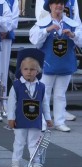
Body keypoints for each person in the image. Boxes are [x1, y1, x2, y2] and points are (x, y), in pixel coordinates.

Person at [29, 0, 82, 132]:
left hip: (65, 63)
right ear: (50, 6)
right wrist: (47, 30)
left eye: (61, 3)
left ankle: (59, 122)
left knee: (60, 95)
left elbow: (81, 41)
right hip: (47, 64)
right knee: (44, 93)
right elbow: (35, 41)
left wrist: (73, 35)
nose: (59, 6)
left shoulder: (71, 23)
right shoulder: (43, 23)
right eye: (55, 3)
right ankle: (42, 121)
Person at [7, 48, 53, 167]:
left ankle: (36, 162)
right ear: (20, 70)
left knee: (34, 142)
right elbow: (11, 103)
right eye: (25, 69)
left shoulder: (41, 87)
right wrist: (10, 118)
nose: (28, 72)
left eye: (32, 69)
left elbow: (44, 103)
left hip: (35, 120)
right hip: (20, 119)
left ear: (37, 71)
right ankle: (16, 161)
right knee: (19, 142)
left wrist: (48, 118)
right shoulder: (16, 86)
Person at [0, 0, 19, 115]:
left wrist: (5, 30)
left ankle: (2, 103)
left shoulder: (12, 1)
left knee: (3, 69)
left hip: (5, 38)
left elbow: (14, 19)